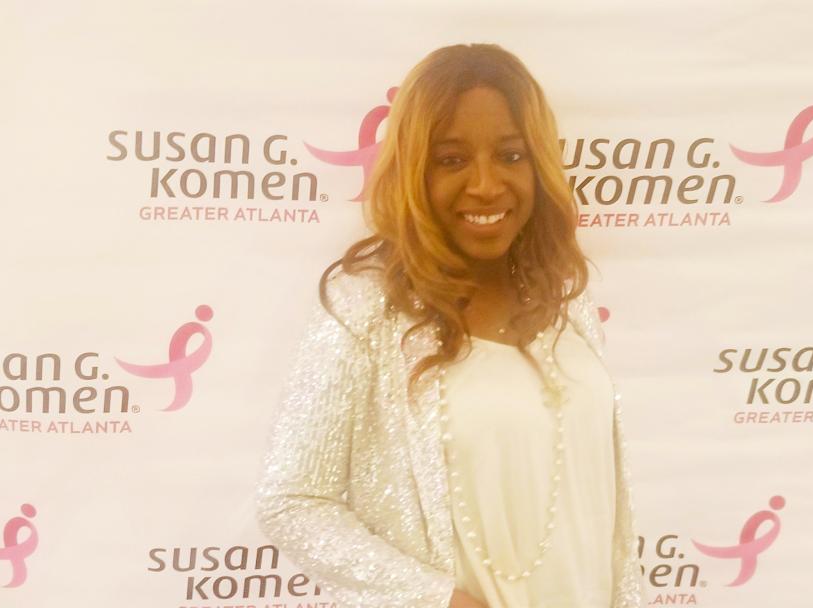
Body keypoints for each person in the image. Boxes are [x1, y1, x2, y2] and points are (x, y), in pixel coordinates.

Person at [256, 43, 646, 608]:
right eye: (451, 160)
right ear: (414, 170)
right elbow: (293, 501)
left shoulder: (565, 299)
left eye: (511, 155)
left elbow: (601, 509)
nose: (486, 184)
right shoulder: (366, 308)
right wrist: (438, 600)